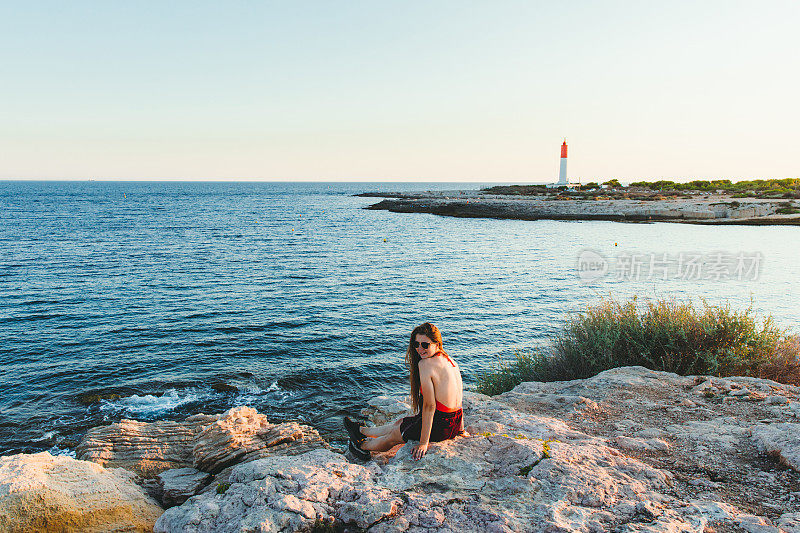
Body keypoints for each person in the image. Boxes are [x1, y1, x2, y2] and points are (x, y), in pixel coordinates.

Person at [344, 322, 467, 461]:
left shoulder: (425, 364)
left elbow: (430, 406)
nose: (420, 349)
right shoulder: (451, 361)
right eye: (416, 344)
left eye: (425, 345)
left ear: (437, 344)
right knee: (399, 423)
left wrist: (423, 443)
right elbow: (459, 399)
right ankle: (360, 430)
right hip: (453, 422)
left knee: (393, 436)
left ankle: (361, 446)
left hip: (440, 425)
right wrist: (460, 430)